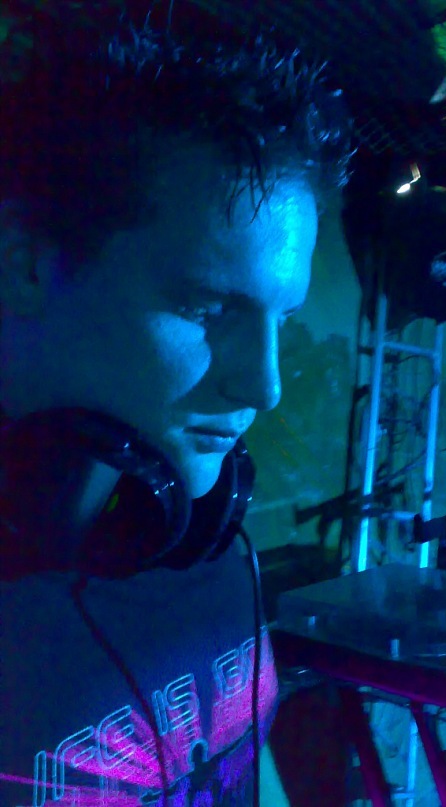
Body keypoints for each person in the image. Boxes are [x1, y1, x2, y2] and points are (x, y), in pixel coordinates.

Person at [0, 3, 352, 805]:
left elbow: (240, 762)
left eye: (283, 318)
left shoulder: (201, 529)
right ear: (23, 264)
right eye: (206, 308)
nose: (264, 387)